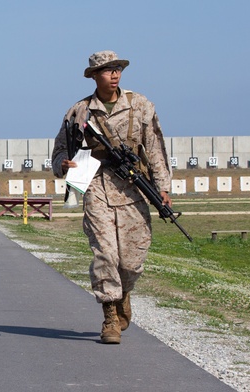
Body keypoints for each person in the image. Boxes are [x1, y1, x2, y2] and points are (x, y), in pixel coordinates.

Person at [50, 50, 173, 344]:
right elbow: (58, 153)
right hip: (95, 186)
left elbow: (155, 148)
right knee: (105, 254)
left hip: (133, 187)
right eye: (107, 70)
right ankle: (110, 318)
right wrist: (63, 165)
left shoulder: (141, 106)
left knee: (131, 261)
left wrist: (163, 188)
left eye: (117, 69)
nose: (114, 74)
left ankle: (123, 296)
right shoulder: (79, 112)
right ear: (94, 75)